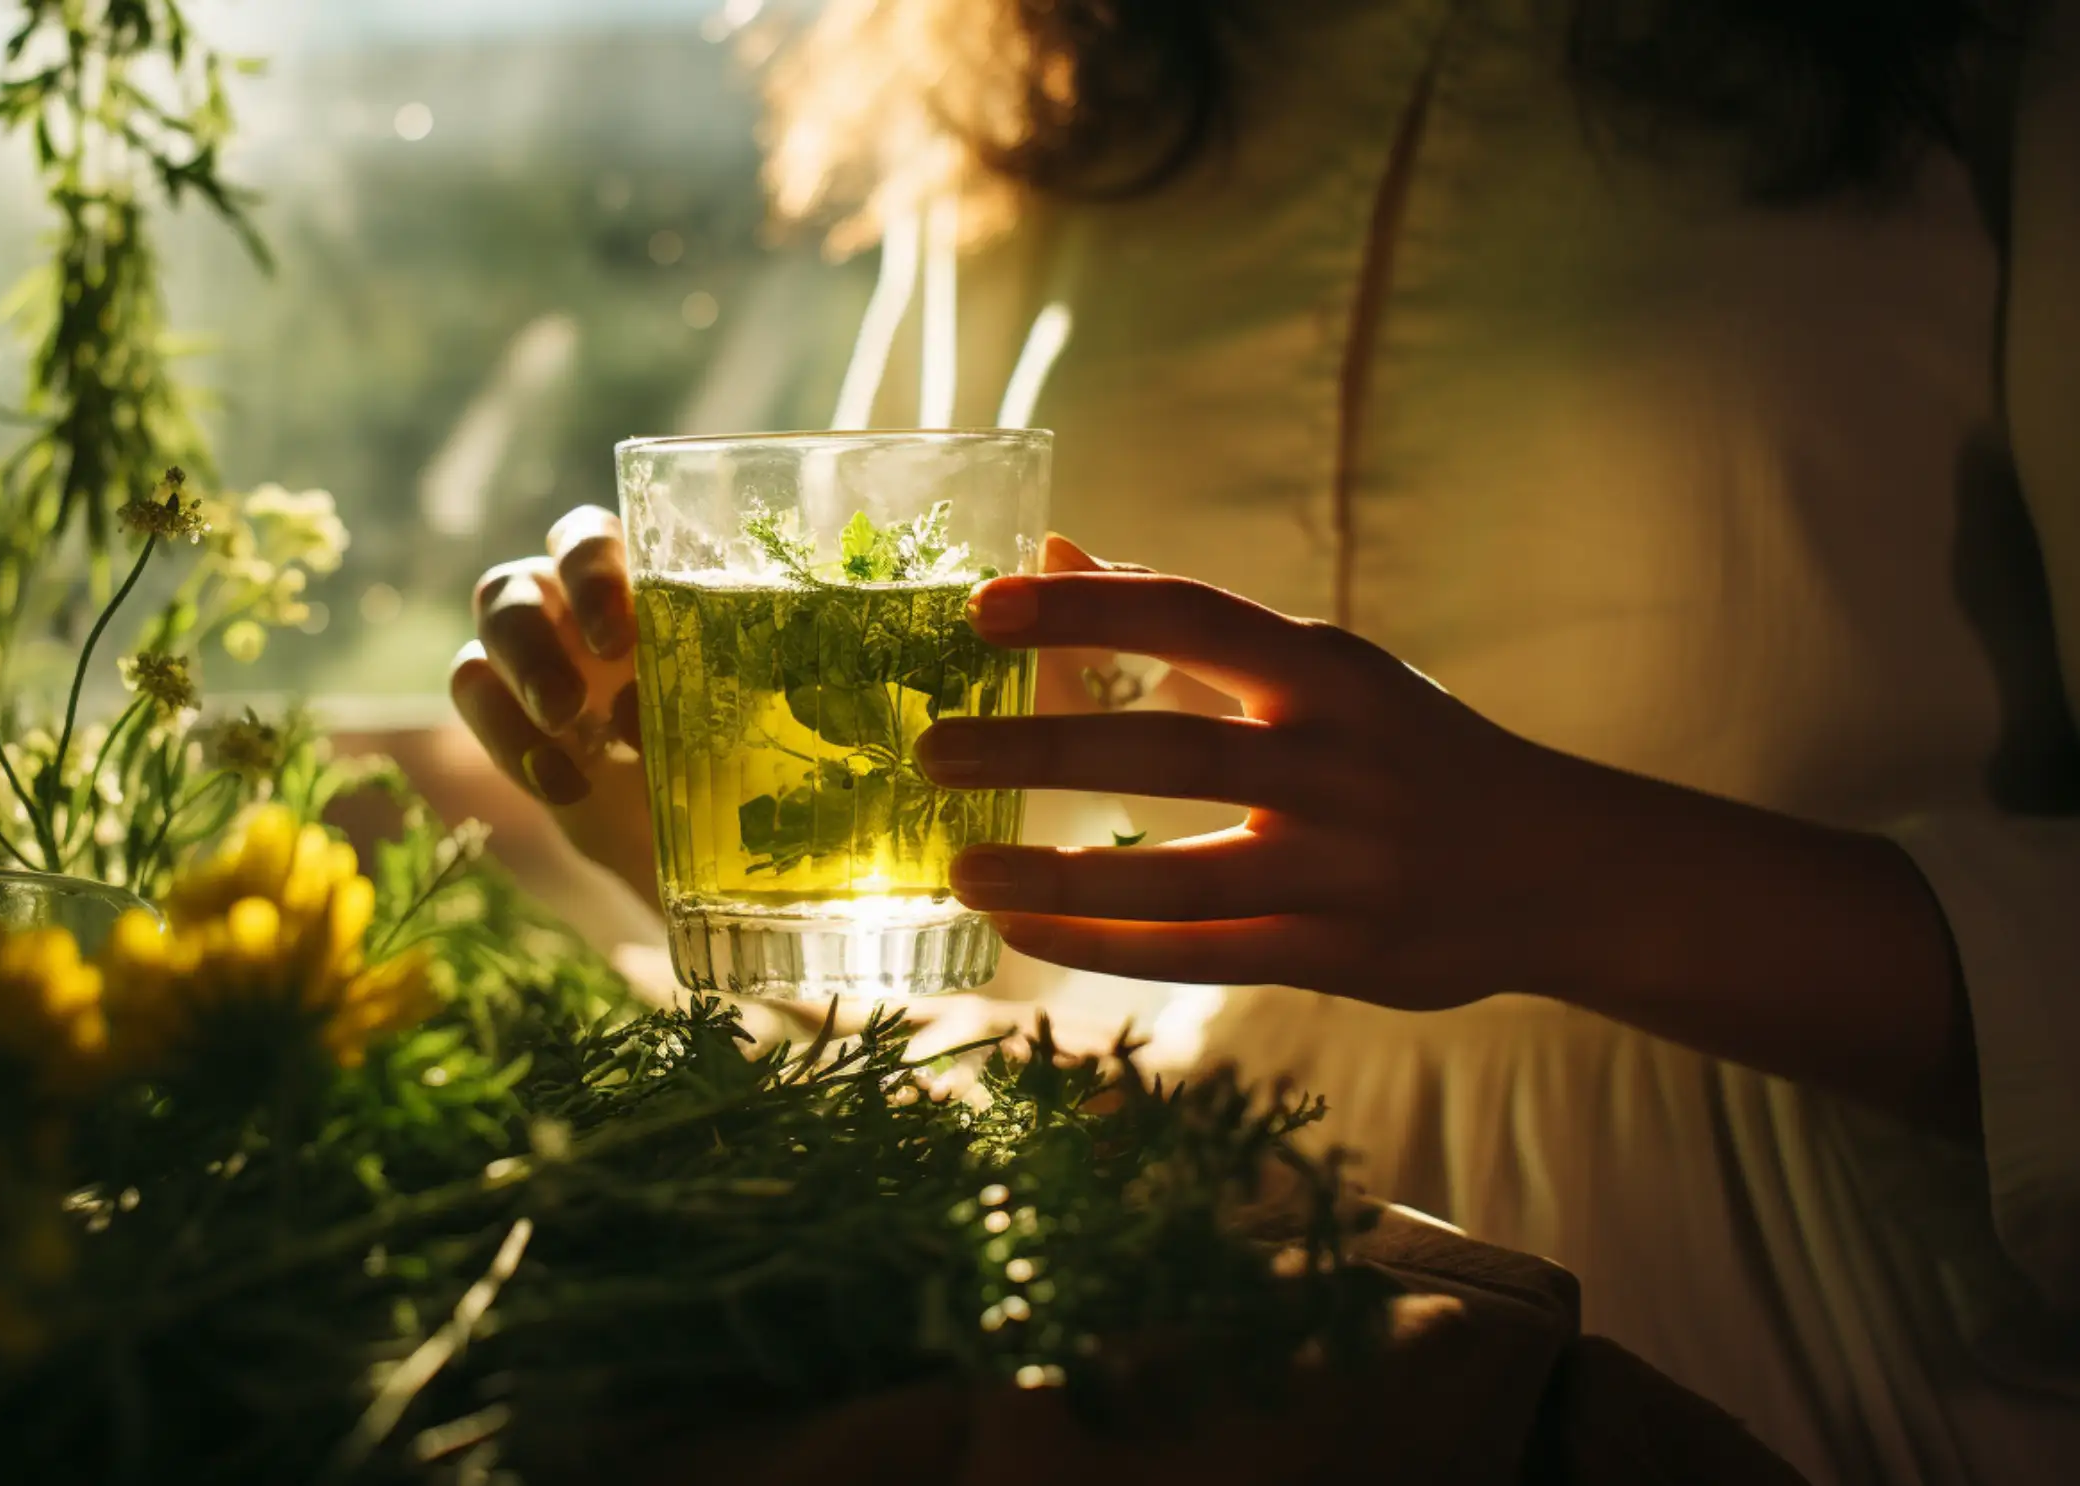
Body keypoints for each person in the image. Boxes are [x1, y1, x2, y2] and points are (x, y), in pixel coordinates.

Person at [449, 1, 2080, 1479]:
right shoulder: (1048, 80)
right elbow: (963, 916)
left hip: (1810, 1383)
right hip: (1179, 1356)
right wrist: (693, 793)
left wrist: (1566, 878)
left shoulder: (1994, 65)